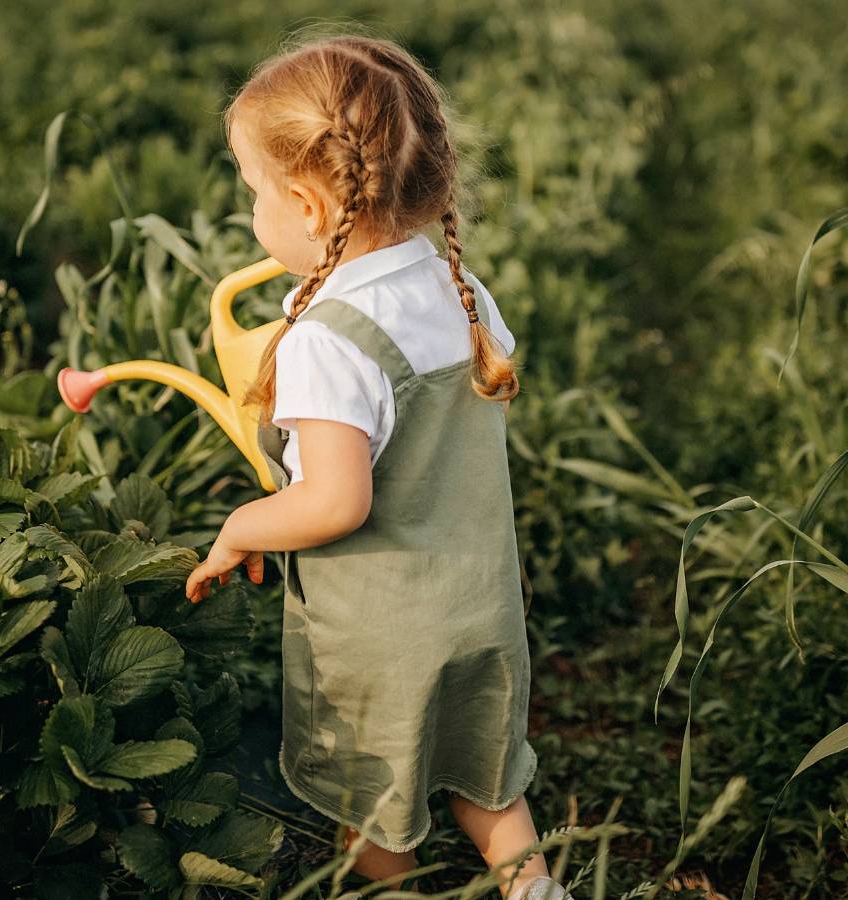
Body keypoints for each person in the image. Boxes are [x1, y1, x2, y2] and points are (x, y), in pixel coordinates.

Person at [184, 32, 573, 900]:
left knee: (374, 803)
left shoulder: (330, 341)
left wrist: (242, 525)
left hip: (383, 636)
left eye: (252, 193)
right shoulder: (454, 286)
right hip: (482, 605)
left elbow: (334, 501)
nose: (251, 213)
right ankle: (533, 886)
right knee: (487, 773)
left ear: (309, 206)